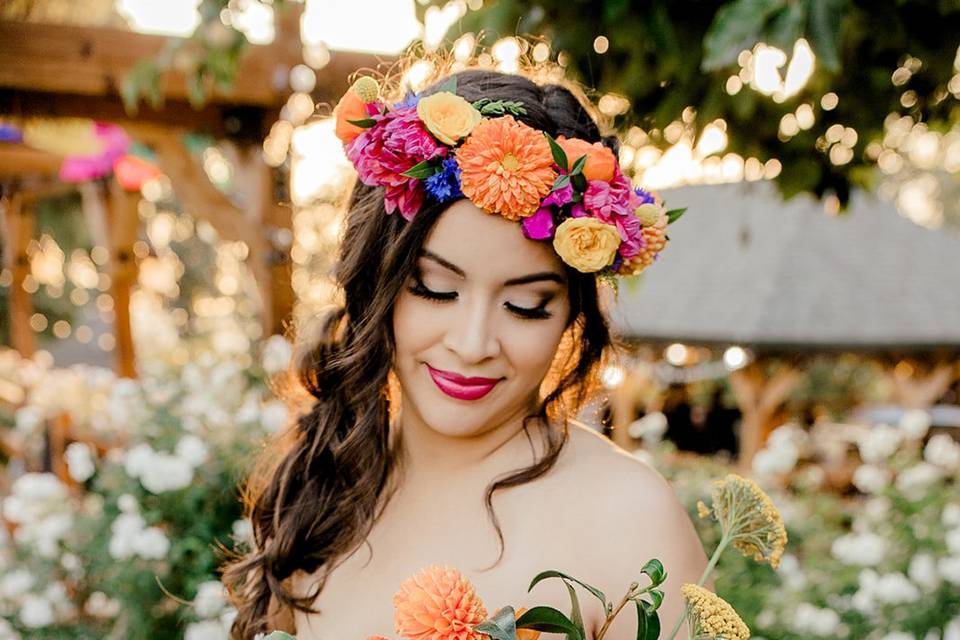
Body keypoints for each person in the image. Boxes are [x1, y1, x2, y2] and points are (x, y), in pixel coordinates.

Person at [223, 61, 708, 639]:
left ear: (571, 318)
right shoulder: (325, 483)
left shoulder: (634, 521)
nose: (473, 344)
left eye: (526, 305)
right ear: (375, 283)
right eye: (435, 289)